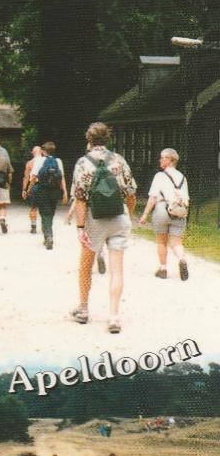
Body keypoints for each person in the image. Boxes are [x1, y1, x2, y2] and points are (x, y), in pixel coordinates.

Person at [70, 122, 137, 333]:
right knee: (117, 270)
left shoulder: (83, 162)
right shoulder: (118, 160)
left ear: (88, 139)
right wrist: (129, 215)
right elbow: (131, 192)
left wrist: (80, 227)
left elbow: (80, 198)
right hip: (119, 217)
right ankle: (114, 317)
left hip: (94, 219)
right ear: (107, 139)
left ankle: (83, 308)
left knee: (86, 265)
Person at [139, 147, 190, 281]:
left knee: (161, 241)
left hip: (162, 209)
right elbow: (186, 198)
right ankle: (182, 259)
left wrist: (145, 214)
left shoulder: (160, 176)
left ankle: (163, 269)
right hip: (179, 211)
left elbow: (153, 197)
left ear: (169, 160)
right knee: (176, 241)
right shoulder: (182, 177)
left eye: (162, 157)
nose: (160, 160)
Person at [28, 141, 68, 249]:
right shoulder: (58, 161)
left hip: (42, 190)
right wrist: (65, 192)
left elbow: (32, 177)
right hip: (54, 191)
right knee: (50, 213)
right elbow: (61, 178)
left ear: (43, 151)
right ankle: (48, 234)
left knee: (44, 214)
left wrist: (29, 189)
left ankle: (48, 236)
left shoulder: (39, 160)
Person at [21, 145, 44, 235]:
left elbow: (26, 177)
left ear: (32, 153)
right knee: (44, 207)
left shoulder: (30, 163)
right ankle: (44, 225)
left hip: (34, 186)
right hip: (45, 187)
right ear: (41, 151)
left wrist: (24, 189)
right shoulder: (46, 161)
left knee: (33, 207)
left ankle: (33, 226)